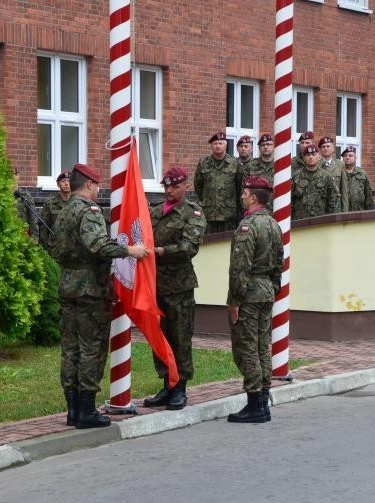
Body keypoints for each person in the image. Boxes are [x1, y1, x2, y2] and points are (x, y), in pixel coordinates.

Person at [55, 163, 149, 428]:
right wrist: (130, 250)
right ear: (88, 184)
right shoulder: (90, 211)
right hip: (90, 289)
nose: (98, 190)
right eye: (97, 185)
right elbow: (97, 244)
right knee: (91, 348)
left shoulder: (63, 211)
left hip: (68, 284)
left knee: (70, 349)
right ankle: (86, 410)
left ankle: (73, 410)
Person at [143, 167, 207, 410]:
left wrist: (161, 251)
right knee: (160, 337)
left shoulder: (193, 213)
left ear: (185, 186)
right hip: (155, 283)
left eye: (175, 186)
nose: (169, 190)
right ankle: (166, 384)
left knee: (180, 337)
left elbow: (189, 247)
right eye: (166, 186)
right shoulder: (155, 211)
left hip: (179, 286)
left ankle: (180, 387)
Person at [226, 176, 284, 423]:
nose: (242, 196)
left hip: (249, 294)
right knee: (262, 347)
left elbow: (240, 268)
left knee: (247, 348)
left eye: (244, 193)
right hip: (266, 292)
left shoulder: (248, 226)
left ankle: (255, 404)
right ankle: (263, 401)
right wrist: (273, 288)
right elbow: (279, 262)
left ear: (252, 197)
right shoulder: (274, 224)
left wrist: (234, 301)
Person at [194, 131, 241, 234]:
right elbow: (198, 185)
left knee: (228, 243)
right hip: (209, 213)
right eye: (215, 144)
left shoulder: (235, 163)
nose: (217, 146)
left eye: (220, 143)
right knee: (209, 242)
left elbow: (239, 187)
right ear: (211, 146)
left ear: (226, 145)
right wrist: (207, 200)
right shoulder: (203, 162)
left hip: (228, 214)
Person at [291, 144, 340, 220]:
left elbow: (333, 201)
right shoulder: (296, 176)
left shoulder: (327, 176)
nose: (311, 157)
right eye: (308, 155)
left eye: (313, 154)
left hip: (320, 222)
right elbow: (290, 201)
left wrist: (330, 221)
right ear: (304, 158)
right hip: (299, 221)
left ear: (319, 157)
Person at [39, 170, 72, 255]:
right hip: (55, 250)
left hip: (74, 250)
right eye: (63, 181)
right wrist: (46, 249)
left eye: (69, 181)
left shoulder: (79, 203)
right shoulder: (49, 204)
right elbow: (43, 229)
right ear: (58, 184)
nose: (66, 183)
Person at [340, 146, 374, 212]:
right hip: (342, 211)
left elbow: (368, 194)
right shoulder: (339, 173)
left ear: (355, 158)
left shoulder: (362, 173)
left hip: (359, 211)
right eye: (345, 156)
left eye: (350, 156)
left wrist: (370, 211)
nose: (347, 157)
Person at [14, 171, 39, 240]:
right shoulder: (1, 194)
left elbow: (33, 219)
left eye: (14, 174)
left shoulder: (25, 195)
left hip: (22, 236)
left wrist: (34, 239)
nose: (12, 177)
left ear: (18, 176)